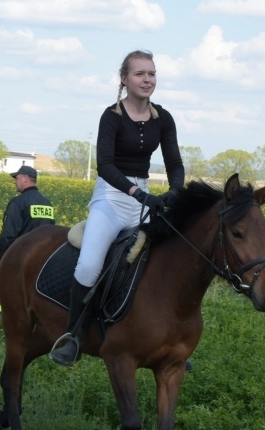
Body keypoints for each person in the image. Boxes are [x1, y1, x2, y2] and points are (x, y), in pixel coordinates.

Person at [49, 49, 185, 367]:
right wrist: (137, 193)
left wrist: (176, 192)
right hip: (111, 198)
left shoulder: (163, 117)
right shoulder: (111, 116)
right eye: (140, 73)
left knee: (168, 260)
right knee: (88, 265)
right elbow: (105, 165)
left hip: (145, 199)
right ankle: (73, 336)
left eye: (151, 73)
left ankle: (167, 336)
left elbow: (174, 161)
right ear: (124, 79)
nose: (147, 79)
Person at [0, 165, 55, 332]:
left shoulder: (18, 203)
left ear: (25, 179)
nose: (15, 182)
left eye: (17, 178)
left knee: (1, 292)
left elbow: (7, 235)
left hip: (20, 259)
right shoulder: (47, 204)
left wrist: (2, 256)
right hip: (44, 261)